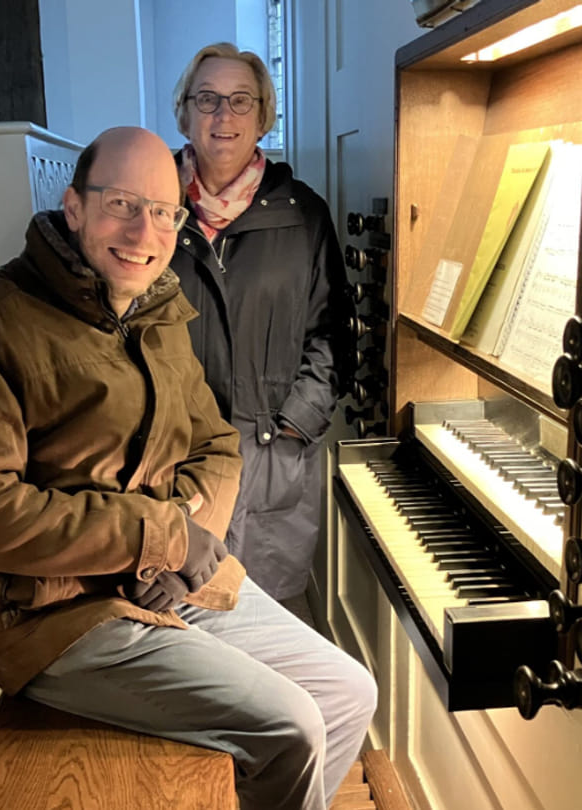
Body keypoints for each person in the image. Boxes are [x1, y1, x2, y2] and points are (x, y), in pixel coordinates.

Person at [0, 126, 376, 810]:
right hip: (52, 614)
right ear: (73, 207)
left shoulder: (157, 312)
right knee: (290, 725)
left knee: (347, 694)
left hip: (161, 582)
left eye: (164, 211)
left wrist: (181, 539)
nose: (145, 230)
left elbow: (217, 445)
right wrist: (160, 536)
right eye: (122, 204)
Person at [169, 43, 353, 601]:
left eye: (240, 101)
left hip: (273, 454)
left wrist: (296, 423)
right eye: (207, 99)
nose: (223, 116)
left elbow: (333, 335)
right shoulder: (153, 210)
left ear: (263, 115)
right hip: (174, 459)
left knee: (269, 625)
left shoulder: (304, 215)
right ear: (185, 112)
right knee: (183, 627)